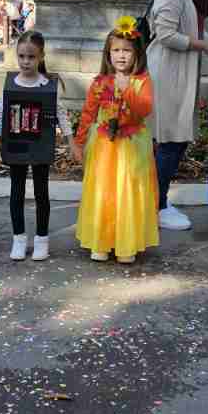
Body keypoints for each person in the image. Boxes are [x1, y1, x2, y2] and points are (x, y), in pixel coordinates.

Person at [146, 0, 208, 232]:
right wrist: (204, 46)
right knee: (169, 140)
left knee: (174, 141)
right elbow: (165, 34)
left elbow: (192, 29)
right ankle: (156, 206)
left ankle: (158, 201)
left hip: (180, 74)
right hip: (167, 74)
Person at [71, 18, 157, 263]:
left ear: (137, 53)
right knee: (104, 191)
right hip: (104, 147)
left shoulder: (142, 81)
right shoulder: (100, 82)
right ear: (108, 54)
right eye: (116, 50)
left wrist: (127, 88)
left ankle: (126, 243)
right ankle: (101, 240)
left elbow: (144, 109)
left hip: (131, 145)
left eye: (126, 50)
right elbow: (88, 113)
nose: (121, 55)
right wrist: (78, 142)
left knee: (127, 190)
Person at [0, 30, 69, 262]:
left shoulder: (47, 85)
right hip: (16, 146)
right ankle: (19, 238)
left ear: (41, 56)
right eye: (22, 56)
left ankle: (42, 239)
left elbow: (60, 113)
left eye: (31, 57)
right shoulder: (11, 84)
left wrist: (71, 140)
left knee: (41, 193)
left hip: (40, 147)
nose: (26, 61)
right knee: (16, 192)